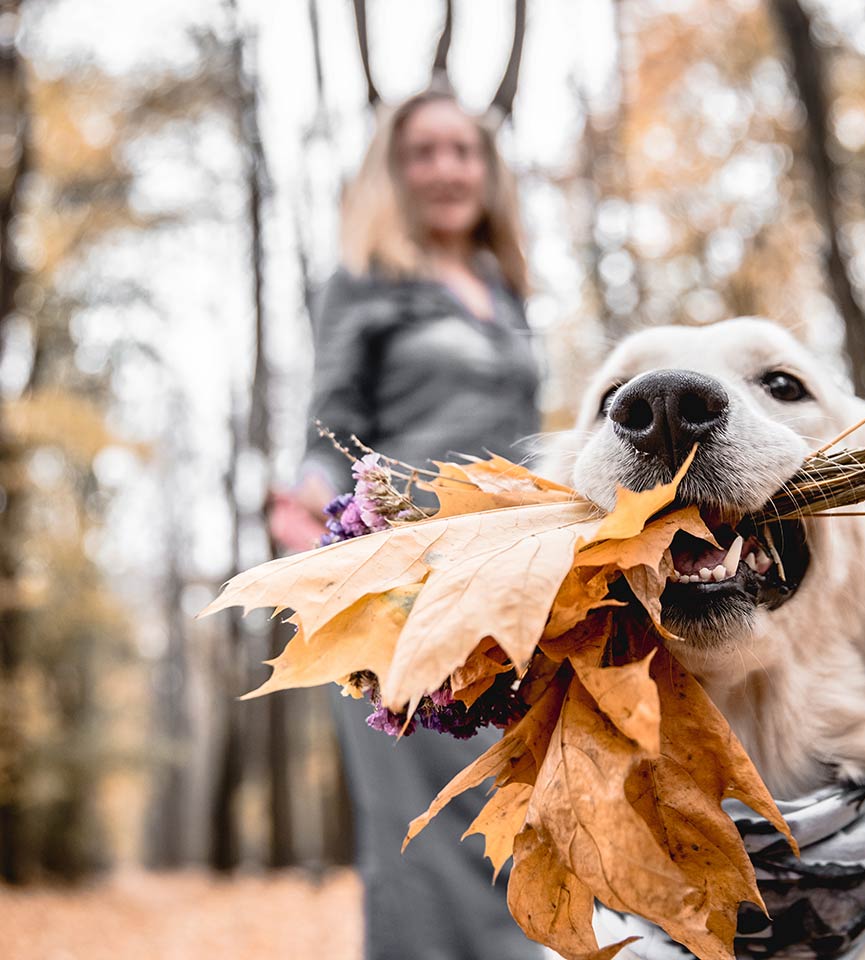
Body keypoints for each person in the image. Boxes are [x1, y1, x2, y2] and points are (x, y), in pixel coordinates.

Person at [288, 90, 543, 960]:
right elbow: (329, 418)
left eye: (463, 151)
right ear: (395, 173)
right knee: (419, 821)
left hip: (507, 577)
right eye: (423, 153)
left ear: (486, 168)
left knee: (503, 796)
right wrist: (307, 505)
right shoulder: (365, 279)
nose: (445, 170)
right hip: (397, 574)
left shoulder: (507, 290)